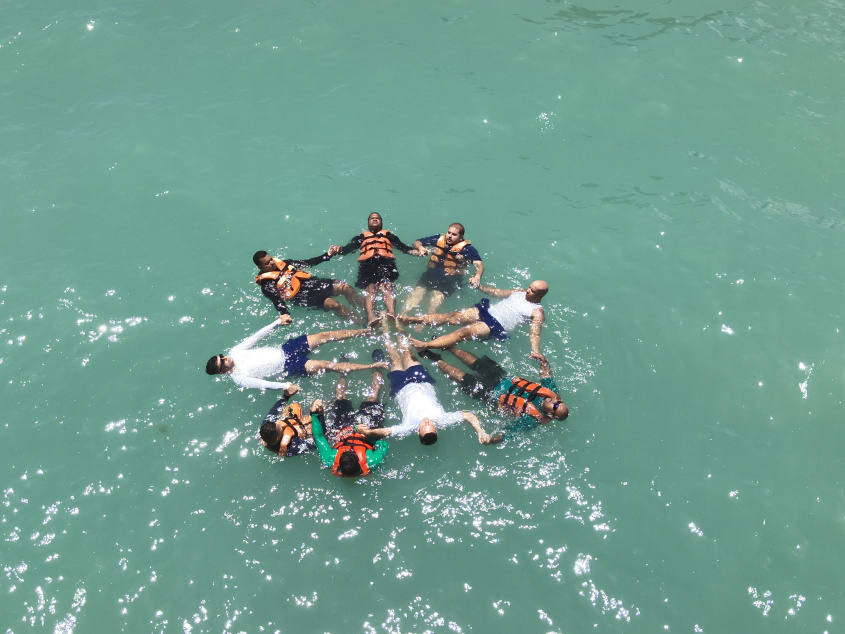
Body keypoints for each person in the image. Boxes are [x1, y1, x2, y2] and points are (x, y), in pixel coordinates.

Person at [356, 324, 501, 445]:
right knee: (406, 352)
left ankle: (384, 328)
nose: (426, 422)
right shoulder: (442, 419)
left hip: (400, 387)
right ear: (436, 429)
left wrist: (367, 432)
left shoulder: (408, 427)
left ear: (418, 431)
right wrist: (481, 431)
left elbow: (385, 432)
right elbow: (468, 415)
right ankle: (398, 325)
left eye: (423, 426)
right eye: (429, 425)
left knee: (394, 358)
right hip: (420, 380)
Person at [421, 347, 568, 438]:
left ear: (550, 415)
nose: (555, 402)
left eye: (556, 406)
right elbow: (546, 375)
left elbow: (508, 433)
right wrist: (543, 361)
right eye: (559, 402)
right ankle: (448, 346)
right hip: (503, 378)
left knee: (462, 378)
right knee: (476, 362)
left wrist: (490, 439)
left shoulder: (532, 420)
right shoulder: (552, 393)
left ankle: (436, 359)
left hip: (490, 396)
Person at [205, 320, 387, 391]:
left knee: (325, 335)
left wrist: (277, 322)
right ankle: (371, 366)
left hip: (286, 349)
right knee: (326, 364)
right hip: (289, 367)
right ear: (222, 372)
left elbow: (256, 336)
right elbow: (262, 384)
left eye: (222, 356)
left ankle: (368, 331)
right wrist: (284, 385)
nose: (225, 358)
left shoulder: (235, 352)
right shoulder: (239, 378)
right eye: (222, 363)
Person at [398, 280, 549, 358]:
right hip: (487, 311)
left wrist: (535, 350)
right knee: (452, 316)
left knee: (463, 333)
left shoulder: (537, 312)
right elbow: (497, 293)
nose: (528, 290)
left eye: (532, 291)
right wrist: (480, 287)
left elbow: (534, 333)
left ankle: (424, 345)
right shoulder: (519, 292)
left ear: (540, 295)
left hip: (496, 325)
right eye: (529, 287)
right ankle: (412, 320)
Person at [327, 212, 424, 327]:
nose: (375, 219)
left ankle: (391, 312)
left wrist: (416, 252)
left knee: (387, 286)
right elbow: (347, 249)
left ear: (382, 223)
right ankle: (371, 315)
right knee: (370, 288)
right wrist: (338, 249)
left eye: (377, 218)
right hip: (367, 264)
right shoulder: (361, 237)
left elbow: (403, 248)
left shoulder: (389, 236)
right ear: (368, 224)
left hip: (386, 262)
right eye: (372, 218)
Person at [310, 353, 390, 476]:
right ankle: (377, 366)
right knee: (372, 398)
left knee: (341, 399)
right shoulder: (372, 462)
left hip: (343, 430)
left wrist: (314, 415)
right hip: (365, 432)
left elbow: (319, 437)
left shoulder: (330, 459)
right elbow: (384, 445)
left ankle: (344, 373)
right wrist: (368, 435)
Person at [253, 250, 366, 325]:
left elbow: (307, 263)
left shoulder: (284, 264)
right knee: (334, 304)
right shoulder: (267, 284)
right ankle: (362, 322)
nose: (272, 263)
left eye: (271, 259)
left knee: (345, 287)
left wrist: (327, 255)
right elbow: (276, 300)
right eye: (267, 263)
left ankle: (368, 310)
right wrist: (283, 313)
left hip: (313, 283)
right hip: (303, 296)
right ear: (260, 267)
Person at [400, 223, 484, 317]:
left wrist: (477, 276)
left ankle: (424, 322)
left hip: (449, 279)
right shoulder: (438, 239)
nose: (450, 236)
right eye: (449, 233)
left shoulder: (467, 249)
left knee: (434, 301)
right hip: (431, 274)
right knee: (417, 294)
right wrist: (421, 248)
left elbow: (479, 264)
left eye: (454, 234)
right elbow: (417, 242)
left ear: (461, 237)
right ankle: (401, 317)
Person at [259, 387, 316, 457]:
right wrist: (320, 415)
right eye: (282, 427)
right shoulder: (292, 447)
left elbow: (274, 409)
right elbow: (317, 443)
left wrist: (286, 396)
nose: (280, 423)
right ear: (278, 438)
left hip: (297, 419)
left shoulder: (266, 426)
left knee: (292, 410)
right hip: (306, 427)